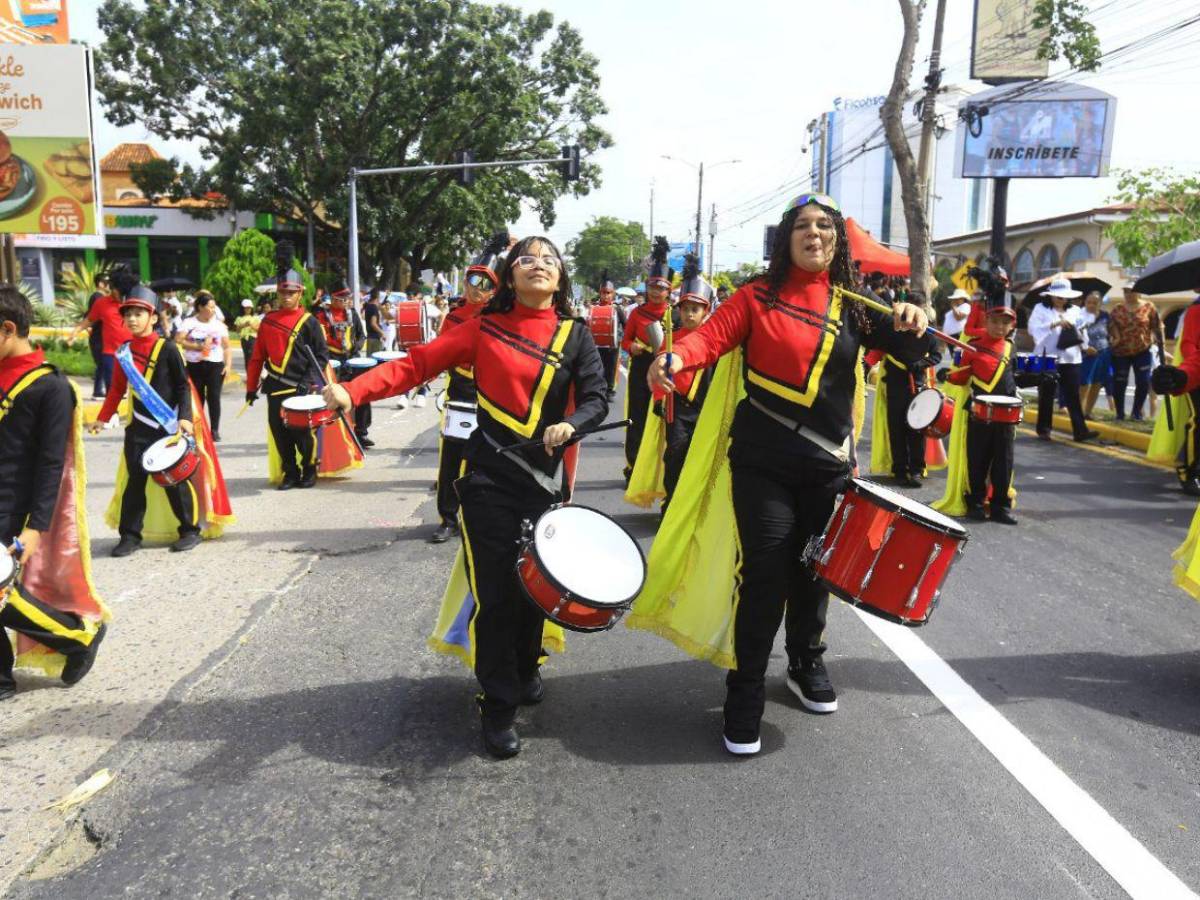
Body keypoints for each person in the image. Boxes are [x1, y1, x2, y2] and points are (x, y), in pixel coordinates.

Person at [635, 193, 929, 756]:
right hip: (762, 461)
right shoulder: (756, 296)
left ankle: (805, 662)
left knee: (815, 572)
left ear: (837, 240)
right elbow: (707, 338)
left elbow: (915, 351)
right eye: (802, 225)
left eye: (824, 226)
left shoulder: (857, 305)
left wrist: (916, 316)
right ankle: (744, 690)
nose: (814, 233)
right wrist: (674, 359)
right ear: (785, 238)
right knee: (766, 573)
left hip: (826, 467)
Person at [325, 235, 607, 759]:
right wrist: (353, 390)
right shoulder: (483, 329)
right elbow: (415, 366)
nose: (538, 265)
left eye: (549, 259)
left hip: (545, 484)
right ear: (509, 275)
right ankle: (497, 705)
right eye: (527, 258)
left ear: (562, 277)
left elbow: (597, 397)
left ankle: (525, 669)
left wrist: (571, 424)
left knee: (535, 588)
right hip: (489, 484)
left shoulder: (577, 335)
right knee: (498, 594)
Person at [0, 285, 109, 699]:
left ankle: (77, 636)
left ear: (8, 328)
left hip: (14, 505)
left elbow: (51, 465)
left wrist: (36, 528)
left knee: (3, 593)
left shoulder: (52, 387)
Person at [90, 284, 203, 555]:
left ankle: (189, 530)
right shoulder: (123, 353)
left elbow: (182, 386)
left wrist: (185, 418)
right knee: (135, 482)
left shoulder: (167, 349)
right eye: (128, 313)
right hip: (138, 429)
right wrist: (102, 418)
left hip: (167, 426)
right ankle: (129, 536)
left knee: (173, 480)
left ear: (152, 318)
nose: (132, 318)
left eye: (139, 313)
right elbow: (116, 389)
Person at [245, 241, 357, 489]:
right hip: (275, 386)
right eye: (283, 292)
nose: (287, 296)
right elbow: (257, 357)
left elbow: (320, 355)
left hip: (301, 387)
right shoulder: (268, 321)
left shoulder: (309, 322)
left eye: (291, 292)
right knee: (279, 433)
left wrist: (308, 382)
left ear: (300, 293)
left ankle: (309, 469)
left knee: (302, 433)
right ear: (277, 292)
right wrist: (251, 387)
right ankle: (290, 473)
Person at [430, 231, 510, 543]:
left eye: (486, 283)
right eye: (473, 281)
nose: (478, 290)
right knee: (451, 461)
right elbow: (445, 354)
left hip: (492, 401)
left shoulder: (501, 317)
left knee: (488, 463)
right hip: (461, 396)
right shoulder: (453, 317)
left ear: (495, 287)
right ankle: (447, 518)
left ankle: (481, 518)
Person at [942, 303, 1020, 524]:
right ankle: (975, 503)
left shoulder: (1011, 347)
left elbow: (1017, 377)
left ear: (1011, 325)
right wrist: (948, 375)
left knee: (1004, 462)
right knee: (977, 460)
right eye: (995, 321)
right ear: (986, 322)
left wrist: (1041, 378)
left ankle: (1000, 508)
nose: (1000, 327)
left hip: (1006, 415)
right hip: (978, 412)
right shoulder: (972, 347)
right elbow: (961, 377)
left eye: (1005, 323)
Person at [657, 255, 714, 514]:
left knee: (702, 458)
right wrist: (660, 398)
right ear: (678, 310)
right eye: (686, 308)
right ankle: (672, 504)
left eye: (696, 309)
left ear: (706, 311)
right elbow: (658, 374)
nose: (690, 313)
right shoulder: (670, 338)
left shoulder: (715, 340)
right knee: (676, 455)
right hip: (676, 408)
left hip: (707, 409)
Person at [621, 236, 673, 484]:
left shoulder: (676, 315)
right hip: (642, 369)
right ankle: (634, 467)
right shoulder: (637, 314)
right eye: (652, 287)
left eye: (661, 288)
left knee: (668, 422)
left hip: (669, 371)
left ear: (668, 291)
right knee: (638, 419)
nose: (656, 292)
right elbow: (624, 341)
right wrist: (633, 347)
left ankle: (665, 473)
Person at [1027, 278, 1098, 443]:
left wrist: (1086, 346)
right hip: (1048, 356)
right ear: (1051, 296)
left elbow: (1082, 330)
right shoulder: (1040, 309)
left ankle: (1080, 431)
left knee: (1073, 395)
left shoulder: (1075, 310)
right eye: (1058, 296)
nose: (1061, 299)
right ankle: (1044, 429)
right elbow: (1033, 329)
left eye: (1064, 296)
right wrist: (1055, 323)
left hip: (1071, 357)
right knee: (1047, 393)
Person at [314, 280, 371, 446]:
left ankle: (361, 432)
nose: (346, 301)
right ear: (332, 298)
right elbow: (318, 340)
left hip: (352, 359)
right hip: (332, 360)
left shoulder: (352, 313)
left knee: (363, 393)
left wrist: (356, 349)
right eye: (342, 299)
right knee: (330, 398)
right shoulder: (320, 315)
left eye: (347, 298)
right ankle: (331, 433)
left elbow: (361, 336)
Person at [177, 291, 232, 442]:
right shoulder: (189, 323)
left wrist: (228, 365)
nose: (213, 310)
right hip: (195, 365)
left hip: (215, 365)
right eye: (210, 307)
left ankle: (214, 430)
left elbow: (227, 347)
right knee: (197, 398)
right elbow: (179, 340)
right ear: (200, 307)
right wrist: (197, 346)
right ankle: (198, 428)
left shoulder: (219, 325)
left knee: (214, 398)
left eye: (214, 307)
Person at [74, 267, 132, 400]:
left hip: (132, 352)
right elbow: (89, 319)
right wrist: (76, 331)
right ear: (112, 288)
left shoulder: (133, 301)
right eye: (119, 292)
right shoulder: (101, 303)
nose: (121, 296)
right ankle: (112, 417)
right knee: (112, 388)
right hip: (110, 354)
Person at [1109, 284, 1164, 421]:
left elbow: (1157, 326)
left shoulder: (1149, 307)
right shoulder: (1117, 309)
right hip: (1120, 351)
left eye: (1131, 291)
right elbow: (1110, 326)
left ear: (1139, 293)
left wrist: (1161, 344)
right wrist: (1115, 336)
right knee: (1120, 382)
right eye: (1126, 291)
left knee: (1143, 382)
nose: (1128, 294)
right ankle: (1119, 413)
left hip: (1142, 350)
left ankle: (1136, 413)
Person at [1078, 290, 1114, 417]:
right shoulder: (1079, 315)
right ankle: (1079, 412)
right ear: (1085, 303)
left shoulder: (1105, 316)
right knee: (1085, 383)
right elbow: (1075, 334)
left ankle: (1088, 412)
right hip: (1087, 353)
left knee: (1097, 383)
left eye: (1095, 302)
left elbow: (1111, 331)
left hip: (1104, 353)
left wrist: (1114, 341)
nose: (1092, 305)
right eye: (1089, 302)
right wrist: (1085, 348)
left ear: (1100, 304)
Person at [591, 271, 622, 400]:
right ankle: (598, 390)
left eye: (608, 293)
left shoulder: (617, 309)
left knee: (611, 368)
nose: (606, 296)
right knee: (598, 367)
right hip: (597, 344)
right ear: (600, 293)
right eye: (603, 293)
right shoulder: (594, 307)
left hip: (613, 344)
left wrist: (619, 336)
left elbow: (625, 325)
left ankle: (609, 391)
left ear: (613, 294)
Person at [83, 274, 111, 399]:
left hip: (101, 335)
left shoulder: (100, 297)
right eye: (107, 282)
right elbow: (93, 315)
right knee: (103, 363)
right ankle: (99, 391)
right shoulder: (97, 297)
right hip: (98, 336)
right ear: (100, 283)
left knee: (103, 363)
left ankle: (100, 390)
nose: (109, 285)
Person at [941, 287, 971, 352]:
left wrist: (954, 307)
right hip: (950, 337)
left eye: (957, 298)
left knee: (958, 357)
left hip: (959, 335)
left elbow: (958, 317)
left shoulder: (966, 306)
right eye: (955, 298)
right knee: (954, 358)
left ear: (963, 299)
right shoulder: (952, 311)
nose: (955, 300)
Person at [233, 298, 260, 369]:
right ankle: (248, 374)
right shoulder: (239, 318)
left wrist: (251, 325)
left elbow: (259, 330)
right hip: (244, 339)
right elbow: (237, 330)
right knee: (246, 357)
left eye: (249, 308)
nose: (248, 309)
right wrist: (243, 325)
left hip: (252, 338)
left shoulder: (255, 318)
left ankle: (253, 373)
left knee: (251, 356)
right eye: (246, 308)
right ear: (243, 309)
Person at [363, 288, 385, 355]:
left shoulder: (368, 306)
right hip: (375, 338)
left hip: (369, 337)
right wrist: (382, 333)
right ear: (378, 296)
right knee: (377, 361)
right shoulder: (374, 307)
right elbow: (373, 323)